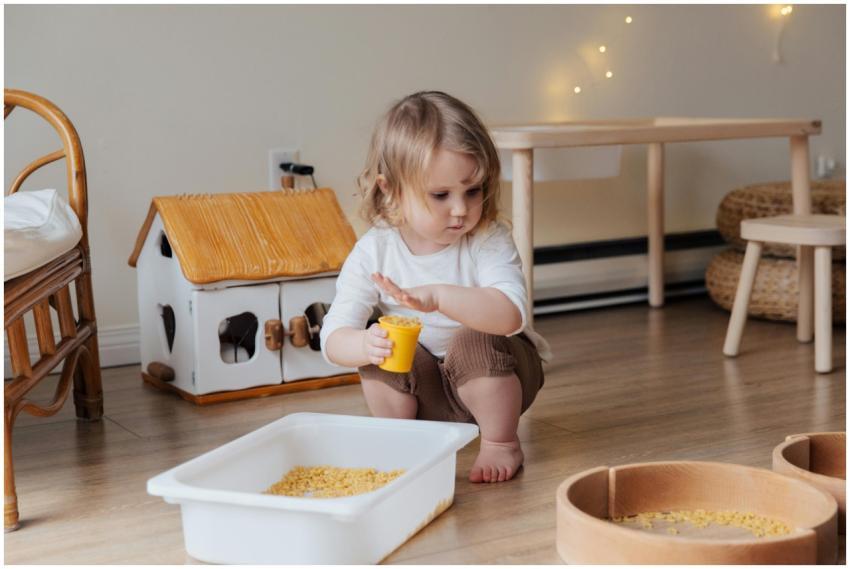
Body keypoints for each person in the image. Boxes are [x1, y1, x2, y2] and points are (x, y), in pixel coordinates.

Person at [320, 91, 551, 483]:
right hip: (426, 393)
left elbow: (510, 315)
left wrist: (439, 296)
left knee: (471, 340)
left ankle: (500, 443)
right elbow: (332, 337)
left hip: (498, 378)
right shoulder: (374, 250)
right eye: (441, 195)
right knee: (383, 348)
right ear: (391, 189)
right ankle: (405, 442)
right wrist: (364, 345)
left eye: (473, 190)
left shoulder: (486, 239)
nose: (461, 209)